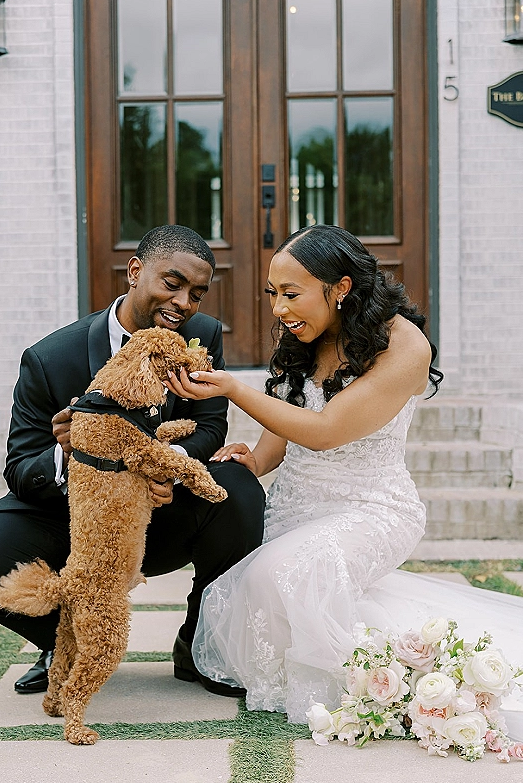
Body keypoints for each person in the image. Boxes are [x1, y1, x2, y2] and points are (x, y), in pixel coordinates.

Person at [165, 224, 523, 732]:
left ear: (341, 287)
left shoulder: (403, 343)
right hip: (297, 504)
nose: (279, 309)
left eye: (292, 294)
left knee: (276, 577)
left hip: (371, 507)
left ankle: (391, 682)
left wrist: (231, 389)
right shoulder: (304, 335)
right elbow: (283, 430)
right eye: (273, 294)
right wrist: (253, 460)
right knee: (246, 586)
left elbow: (326, 430)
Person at [0, 224, 265, 698]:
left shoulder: (203, 336)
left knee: (238, 488)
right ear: (135, 272)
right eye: (171, 284)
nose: (184, 303)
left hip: (159, 515)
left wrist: (165, 465)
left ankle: (200, 642)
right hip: (75, 519)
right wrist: (71, 453)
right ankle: (63, 643)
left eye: (197, 294)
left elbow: (210, 427)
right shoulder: (51, 358)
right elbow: (20, 468)